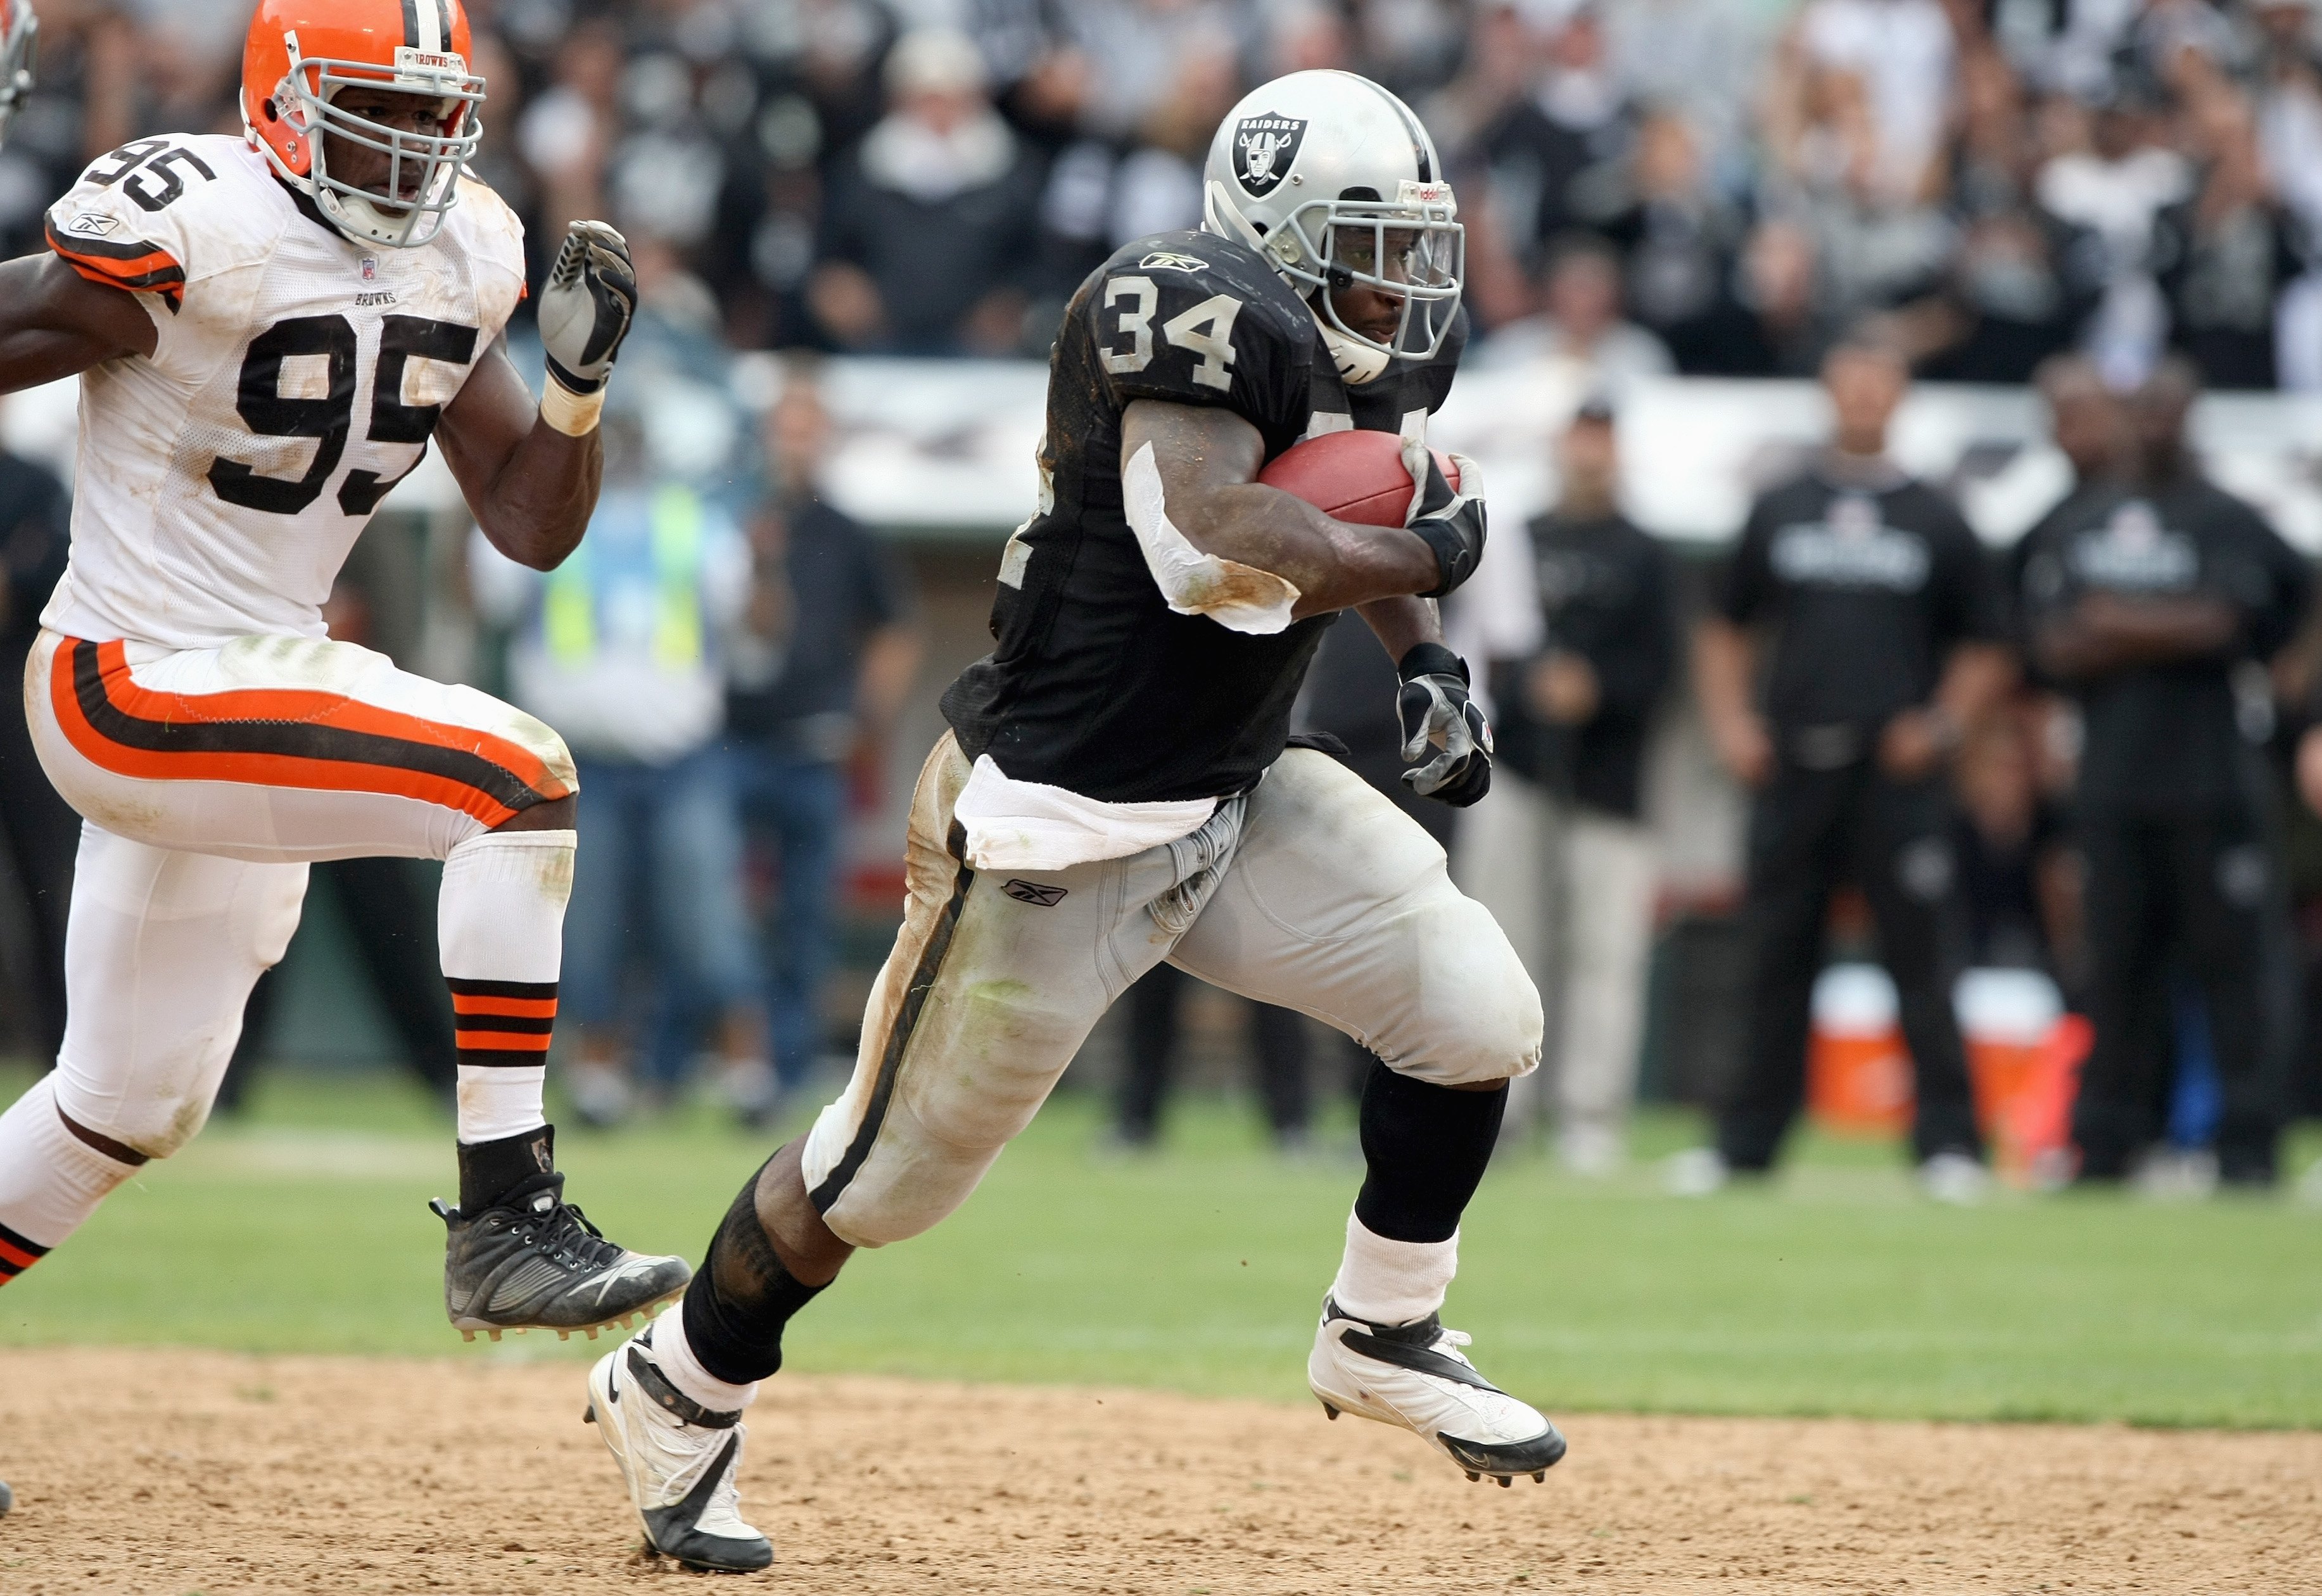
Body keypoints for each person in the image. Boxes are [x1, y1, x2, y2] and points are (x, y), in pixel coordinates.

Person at [584, 70, 1561, 1573]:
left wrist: (1426, 650)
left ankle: (1382, 1325)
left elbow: (1367, 482)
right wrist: (1419, 544)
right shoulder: (1179, 305)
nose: (1401, 279)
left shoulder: (1350, 335)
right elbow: (1210, 542)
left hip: (1229, 788)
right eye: (1367, 240)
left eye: (1412, 244)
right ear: (1277, 231)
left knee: (1474, 1007)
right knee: (871, 1187)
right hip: (1052, 828)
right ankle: (676, 1381)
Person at [0, 0, 689, 1343]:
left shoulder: (466, 248)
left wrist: (578, 390)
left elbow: (529, 523)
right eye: (384, 112)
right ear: (285, 103)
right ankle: (508, 1214)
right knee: (517, 777)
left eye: (439, 115)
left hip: (249, 679)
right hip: (128, 675)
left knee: (128, 1102)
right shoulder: (202, 219)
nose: (416, 148)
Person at [1678, 335, 2013, 1201]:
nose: (1863, 396)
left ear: (1899, 396)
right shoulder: (1780, 505)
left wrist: (1942, 724)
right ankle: (1742, 1146)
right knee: (1772, 956)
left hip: (1897, 774)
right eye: (1850, 380)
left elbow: (1987, 641)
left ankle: (1949, 1145)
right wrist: (1729, 722)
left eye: (1879, 381)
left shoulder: (1937, 515)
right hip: (1793, 763)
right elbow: (1723, 624)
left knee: (1923, 958)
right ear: (1828, 392)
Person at [2014, 359, 2312, 1186]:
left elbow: (2241, 620)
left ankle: (2246, 1149)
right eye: (2137, 410)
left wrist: (2118, 625)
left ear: (2191, 416)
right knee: (2112, 972)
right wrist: (2170, 628)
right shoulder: (2081, 518)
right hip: (2108, 785)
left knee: (2235, 973)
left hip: (2213, 783)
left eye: (2165, 409)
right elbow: (2048, 641)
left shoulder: (2225, 518)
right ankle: (2106, 1145)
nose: (2150, 423)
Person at [479, 408, 768, 1127]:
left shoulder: (698, 526)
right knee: (587, 926)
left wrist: (772, 554)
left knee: (707, 917)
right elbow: (486, 600)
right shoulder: (544, 521)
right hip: (577, 765)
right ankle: (598, 1075)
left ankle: (746, 1072)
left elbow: (752, 629)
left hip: (683, 759)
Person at [1490, 400, 1678, 1174]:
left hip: (1609, 784)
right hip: (1518, 770)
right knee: (1503, 947)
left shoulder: (1648, 554)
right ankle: (1499, 1108)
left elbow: (1666, 671)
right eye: (1579, 439)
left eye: (1602, 441)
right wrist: (1531, 685)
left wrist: (1596, 688)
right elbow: (1481, 644)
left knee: (1604, 953)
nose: (1589, 455)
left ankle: (1589, 1113)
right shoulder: (1519, 540)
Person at [725, 370, 922, 1103]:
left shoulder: (846, 531)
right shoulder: (731, 518)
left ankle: (791, 1062)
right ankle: (709, 1058)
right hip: (727, 743)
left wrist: (866, 716)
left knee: (807, 919)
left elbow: (897, 630)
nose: (795, 442)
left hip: (813, 745)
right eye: (786, 426)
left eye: (808, 428)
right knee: (716, 914)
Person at [0, 402, 76, 1071]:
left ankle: (61, 1045)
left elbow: (49, 573)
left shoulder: (32, 480)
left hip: (18, 700)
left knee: (48, 883)